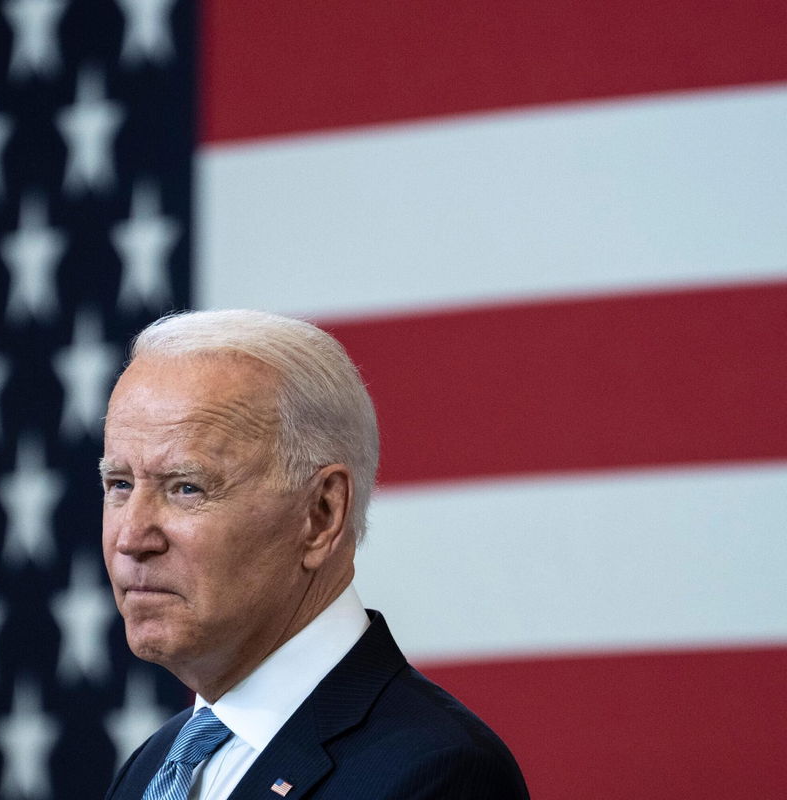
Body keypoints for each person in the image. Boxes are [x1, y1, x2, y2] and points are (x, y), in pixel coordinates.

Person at [99, 309, 529, 800]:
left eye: (187, 488)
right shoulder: (152, 767)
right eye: (119, 484)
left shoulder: (437, 775)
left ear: (321, 514)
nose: (131, 537)